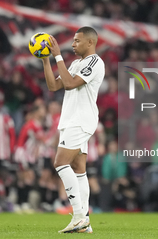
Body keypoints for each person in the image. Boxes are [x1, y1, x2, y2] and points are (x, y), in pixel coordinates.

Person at [41, 26, 105, 233]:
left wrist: (58, 55)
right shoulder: (77, 63)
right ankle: (84, 221)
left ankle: (78, 216)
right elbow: (54, 86)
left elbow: (69, 84)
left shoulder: (95, 62)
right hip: (71, 120)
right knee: (79, 170)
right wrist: (46, 59)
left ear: (90, 42)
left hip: (80, 120)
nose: (72, 44)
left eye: (77, 41)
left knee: (60, 163)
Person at [13, 104, 46, 214]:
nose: (44, 112)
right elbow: (41, 140)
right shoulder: (33, 125)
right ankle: (22, 203)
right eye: (42, 110)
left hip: (27, 155)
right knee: (27, 178)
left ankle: (20, 203)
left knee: (24, 179)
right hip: (24, 154)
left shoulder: (33, 124)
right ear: (36, 112)